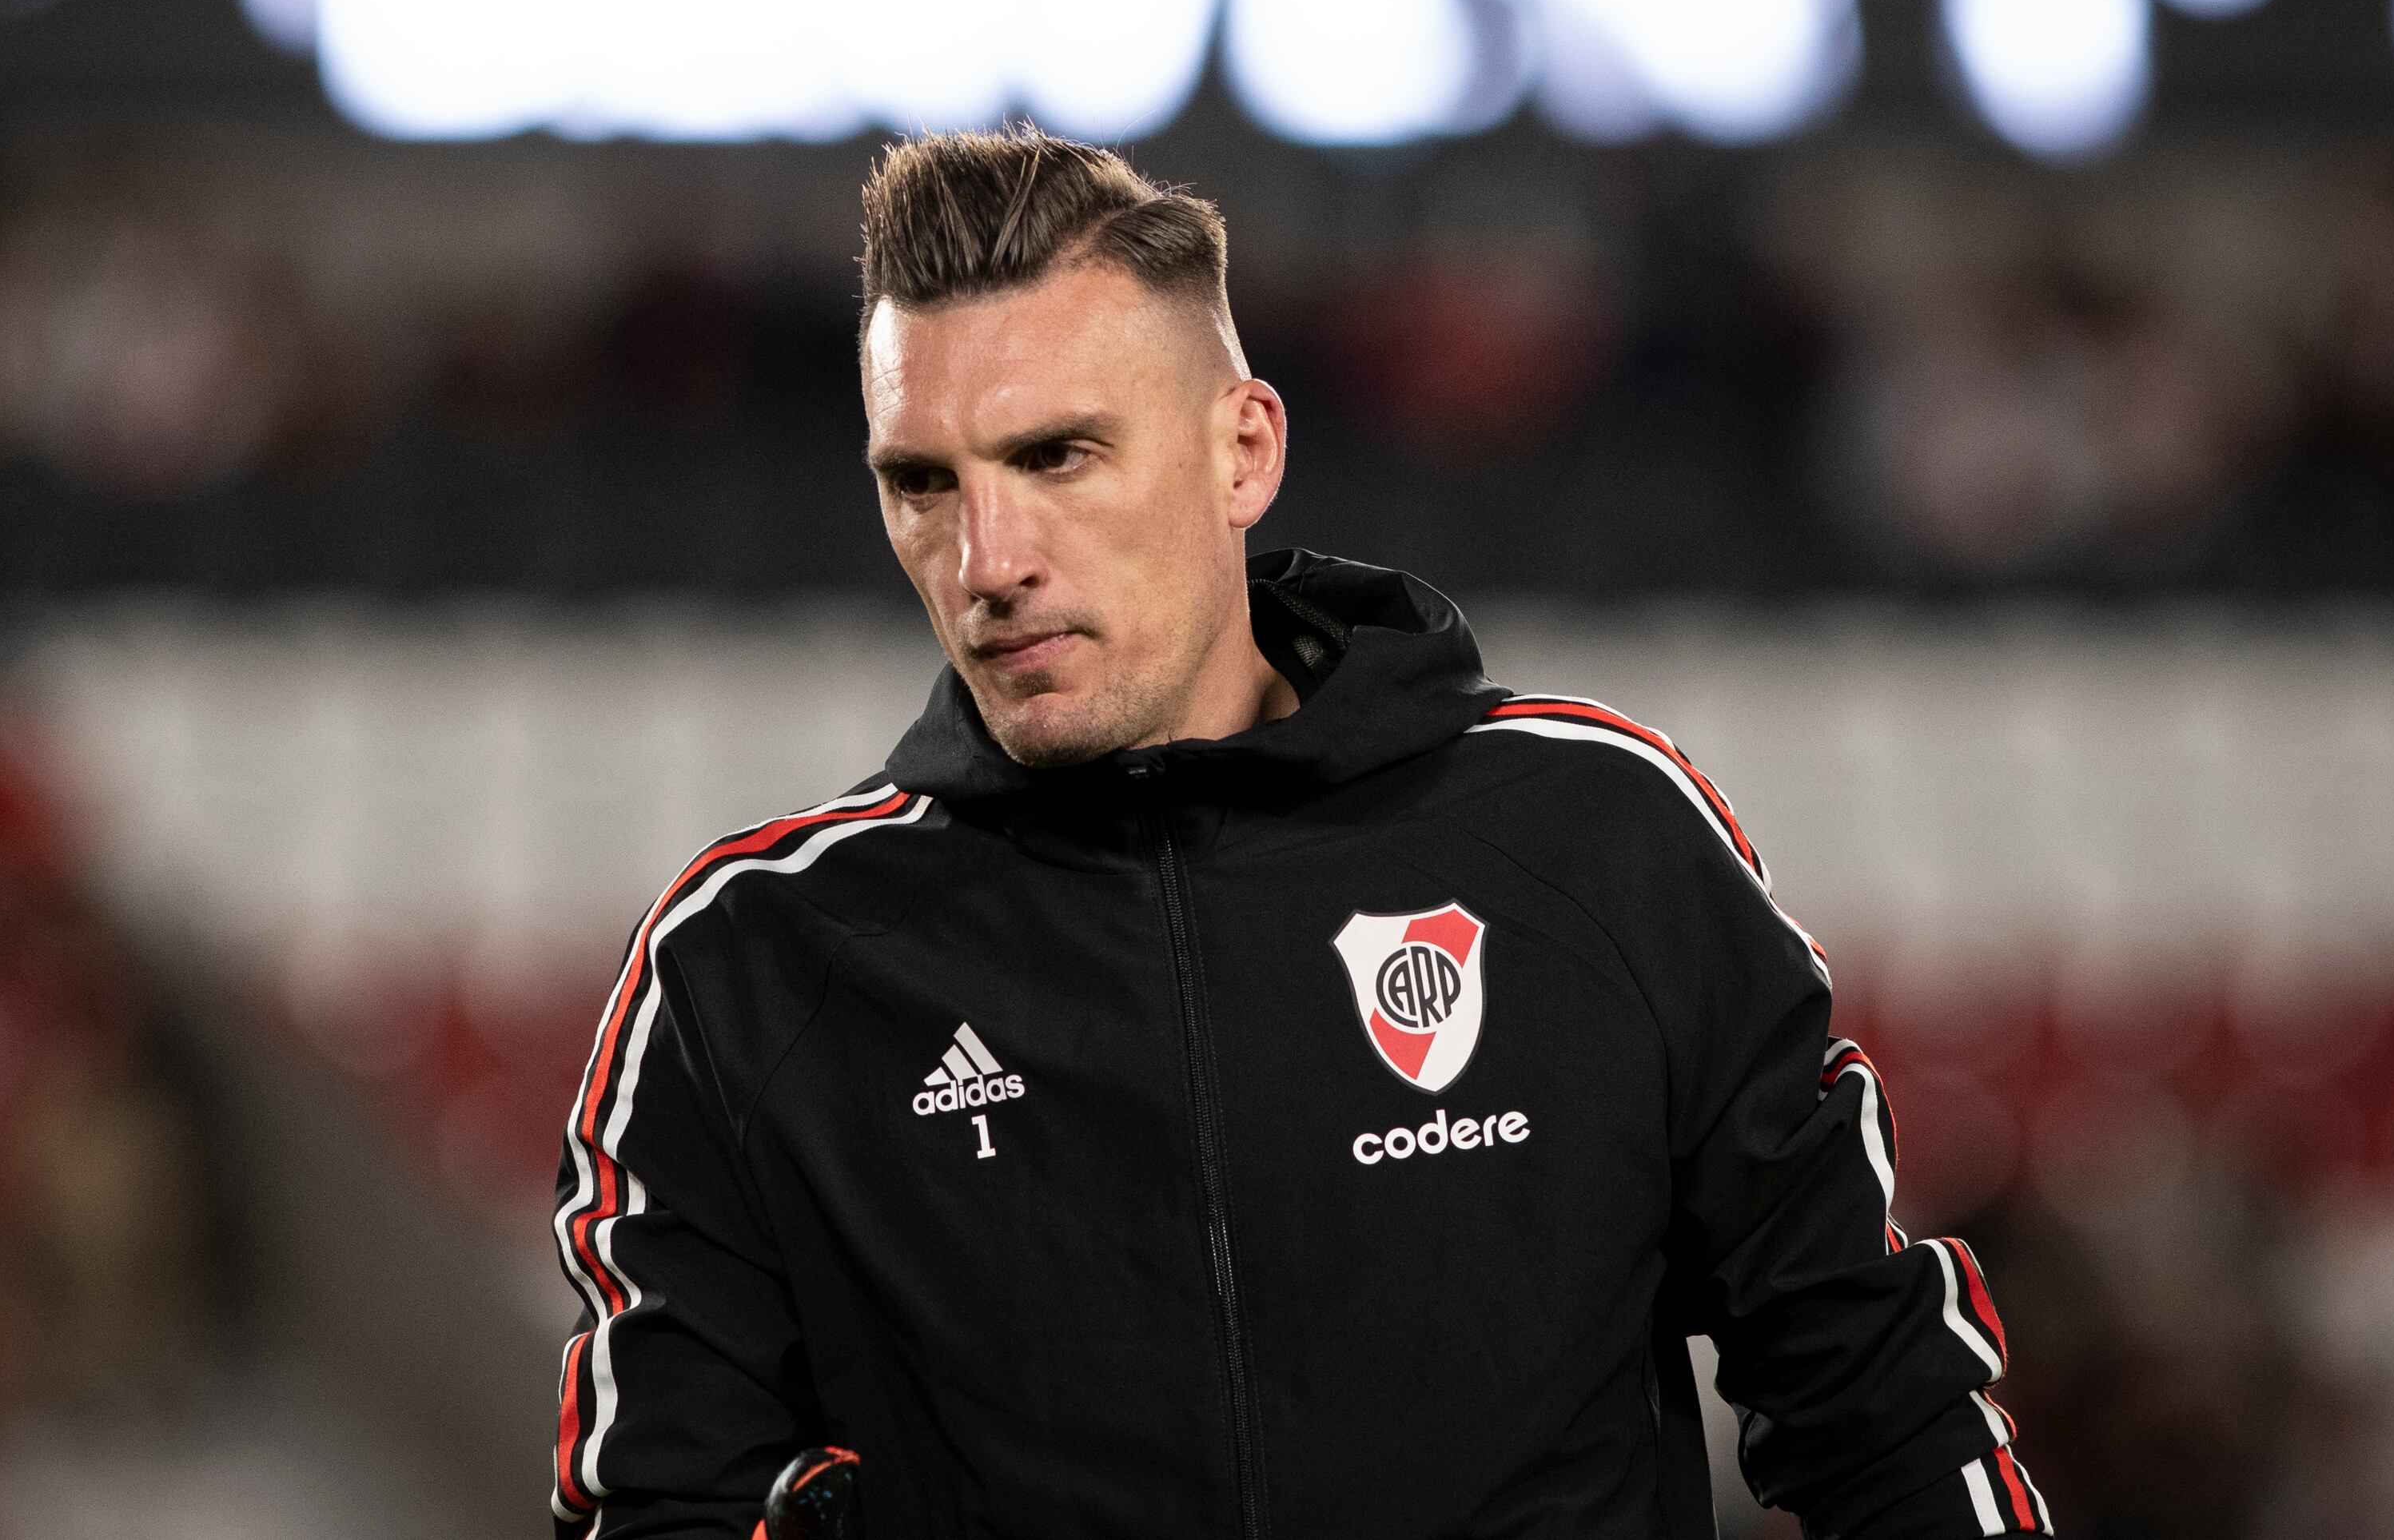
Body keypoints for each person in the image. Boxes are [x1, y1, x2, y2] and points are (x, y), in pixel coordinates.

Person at [551, 126, 2050, 1540]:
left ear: (1244, 452)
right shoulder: (749, 973)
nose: (987, 560)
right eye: (923, 483)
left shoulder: (1599, 843)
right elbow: (663, 1507)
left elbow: (1884, 1411)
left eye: (1058, 456)